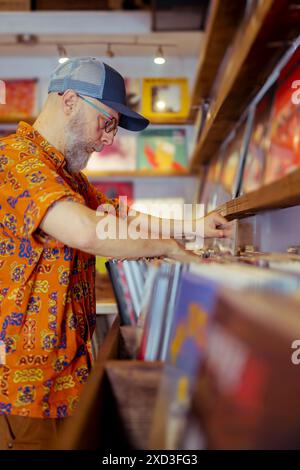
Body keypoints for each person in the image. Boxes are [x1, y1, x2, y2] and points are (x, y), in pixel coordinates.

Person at [0, 57, 229, 450]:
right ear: (69, 100)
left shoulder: (65, 176)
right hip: (23, 390)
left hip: (63, 381)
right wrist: (169, 249)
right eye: (106, 122)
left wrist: (195, 227)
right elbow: (89, 232)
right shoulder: (15, 160)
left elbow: (122, 217)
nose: (109, 139)